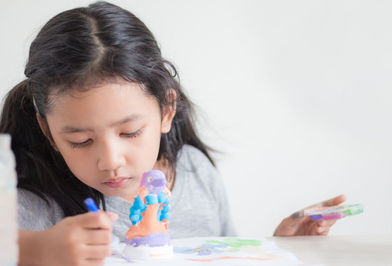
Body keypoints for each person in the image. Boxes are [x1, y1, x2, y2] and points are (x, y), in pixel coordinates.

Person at [1, 2, 346, 265]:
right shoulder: (33, 208)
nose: (110, 161)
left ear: (167, 110)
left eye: (131, 132)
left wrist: (274, 249)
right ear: (47, 130)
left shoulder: (196, 173)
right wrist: (30, 250)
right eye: (81, 141)